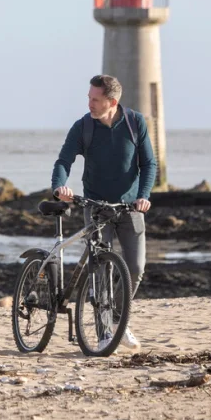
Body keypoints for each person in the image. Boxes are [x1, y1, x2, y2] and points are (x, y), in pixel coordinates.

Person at [51, 75, 156, 352]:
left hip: (130, 207)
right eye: (88, 97)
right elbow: (64, 160)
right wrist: (60, 186)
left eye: (94, 99)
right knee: (102, 270)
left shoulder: (135, 123)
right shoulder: (84, 127)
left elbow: (148, 164)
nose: (89, 104)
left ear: (112, 101)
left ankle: (119, 320)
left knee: (135, 268)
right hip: (96, 208)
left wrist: (144, 196)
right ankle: (104, 333)